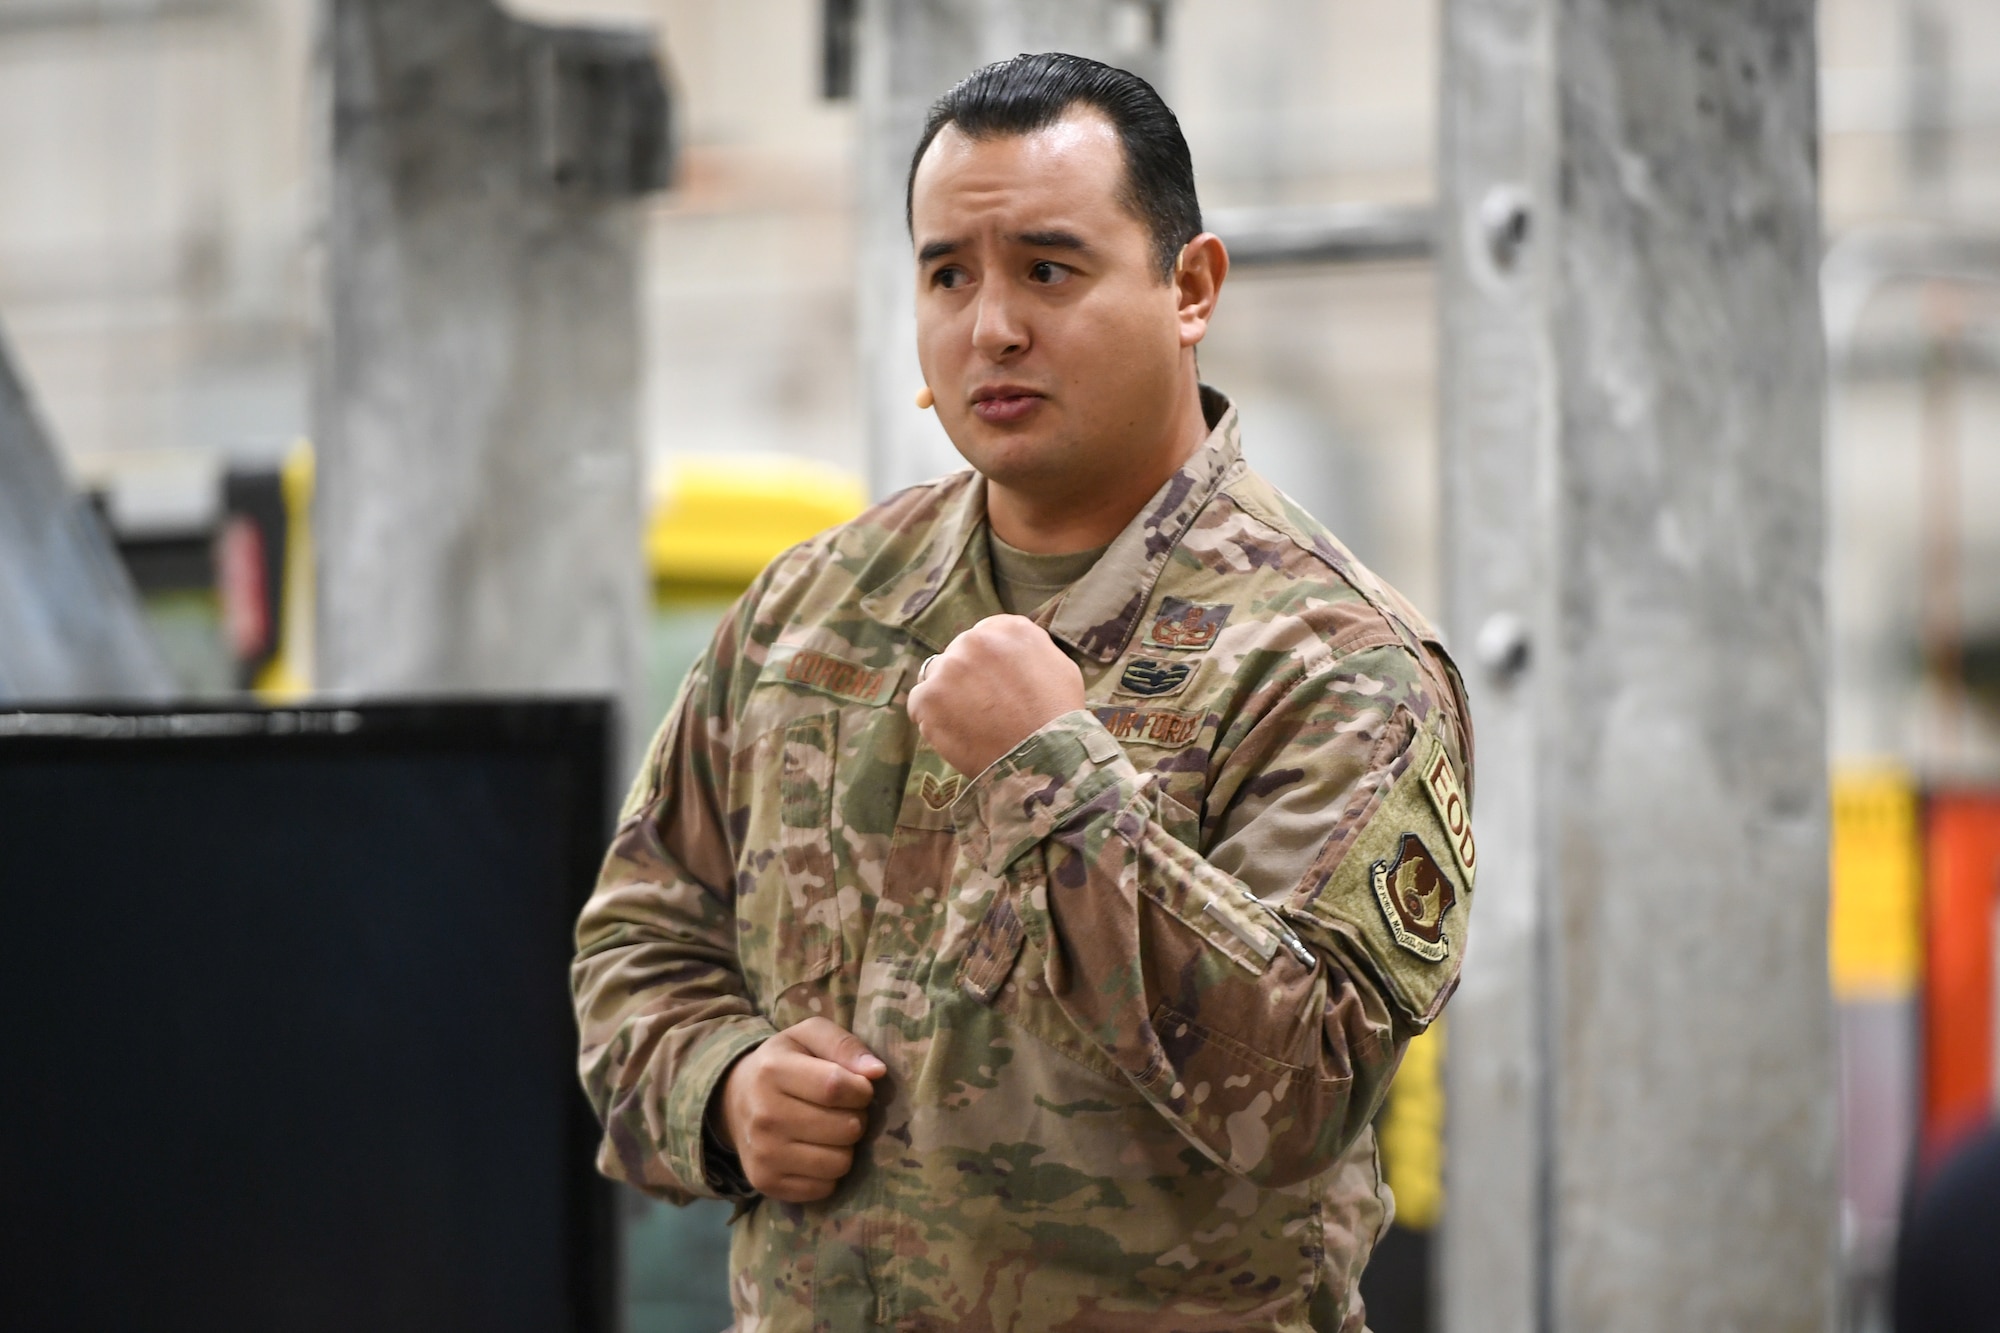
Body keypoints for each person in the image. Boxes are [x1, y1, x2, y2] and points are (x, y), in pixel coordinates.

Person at [572, 51, 1476, 1332]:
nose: (990, 326)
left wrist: (1052, 775)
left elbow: (1299, 1093)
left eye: (1048, 269)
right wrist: (720, 1093)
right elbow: (633, 943)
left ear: (1189, 287)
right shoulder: (810, 610)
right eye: (949, 274)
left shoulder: (1331, 657)